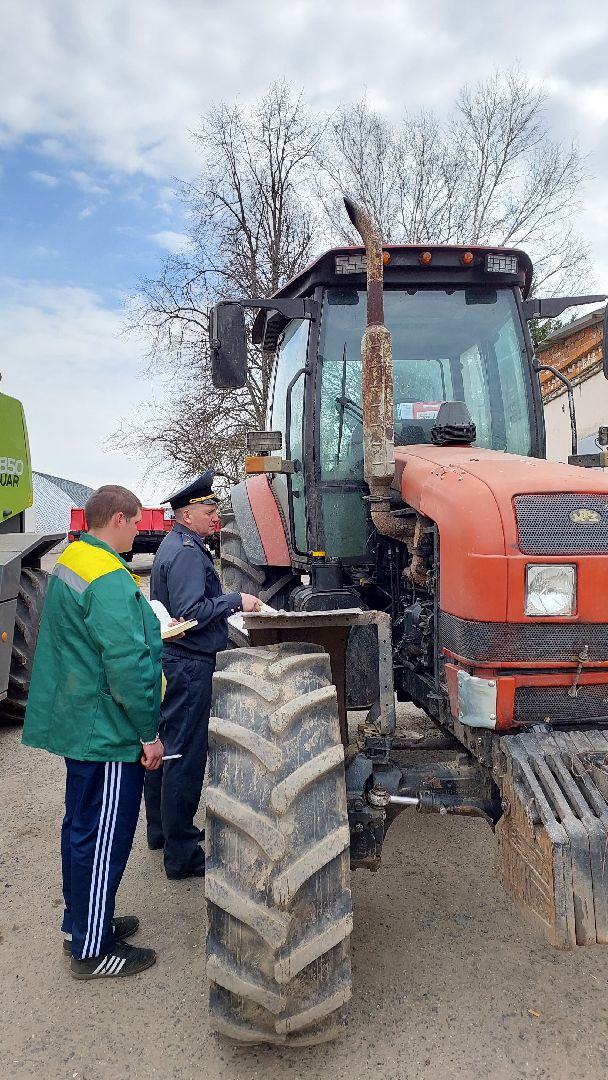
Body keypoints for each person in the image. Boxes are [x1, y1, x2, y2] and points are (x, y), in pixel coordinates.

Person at [22, 485, 165, 980]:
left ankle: (82, 922)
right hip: (106, 730)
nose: (139, 533)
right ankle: (92, 949)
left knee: (82, 829)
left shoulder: (75, 558)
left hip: (82, 721)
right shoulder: (107, 575)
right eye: (135, 524)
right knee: (103, 836)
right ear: (120, 519)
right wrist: (148, 735)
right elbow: (125, 663)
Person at [144, 469, 262, 879]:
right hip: (190, 665)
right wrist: (236, 599)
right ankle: (183, 854)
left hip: (175, 663)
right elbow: (192, 612)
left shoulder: (176, 545)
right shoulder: (188, 553)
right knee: (184, 757)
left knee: (170, 749)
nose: (216, 516)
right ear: (187, 513)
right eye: (210, 508)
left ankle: (160, 833)